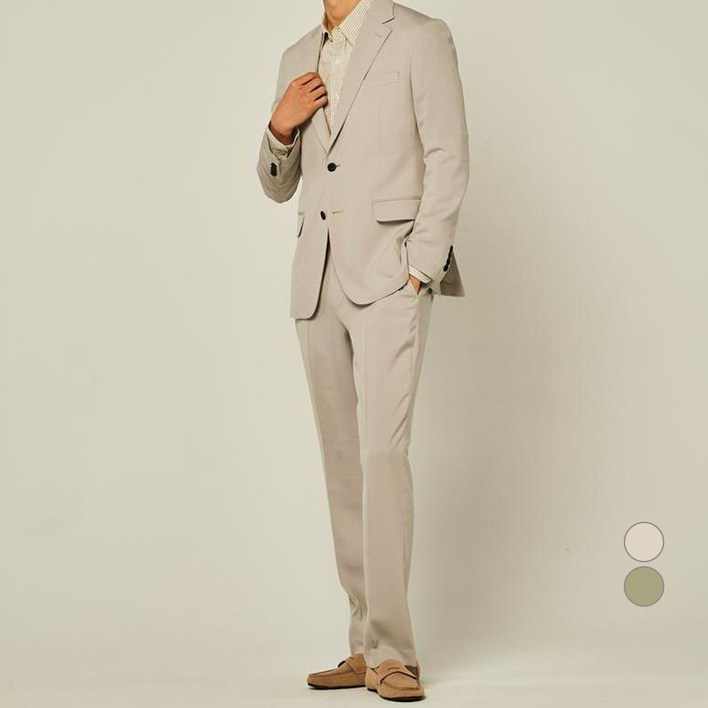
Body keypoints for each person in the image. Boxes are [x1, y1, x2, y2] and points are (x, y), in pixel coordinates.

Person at [256, 0, 469, 700]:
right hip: (317, 279)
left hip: (391, 276)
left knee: (382, 455)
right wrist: (279, 127)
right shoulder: (296, 56)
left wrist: (421, 265)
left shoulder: (419, 37)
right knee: (343, 464)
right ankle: (362, 645)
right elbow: (277, 185)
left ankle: (394, 651)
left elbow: (448, 155)